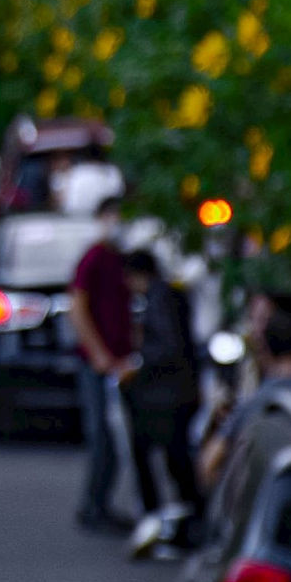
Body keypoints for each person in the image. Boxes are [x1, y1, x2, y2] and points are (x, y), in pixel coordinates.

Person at [198, 295, 291, 488]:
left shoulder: (255, 404)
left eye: (262, 319)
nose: (255, 329)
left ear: (266, 349)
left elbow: (208, 466)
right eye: (253, 319)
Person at [119, 250, 202, 556]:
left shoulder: (159, 299)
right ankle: (181, 522)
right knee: (174, 459)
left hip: (164, 396)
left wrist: (139, 364)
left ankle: (176, 522)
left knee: (169, 458)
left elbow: (168, 345)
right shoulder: (170, 295)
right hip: (175, 392)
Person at [69, 197, 134, 533]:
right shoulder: (93, 258)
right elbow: (77, 309)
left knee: (116, 436)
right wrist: (97, 354)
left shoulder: (123, 261)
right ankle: (93, 505)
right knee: (102, 436)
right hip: (97, 364)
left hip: (120, 364)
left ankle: (102, 502)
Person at [54, 146, 124, 217]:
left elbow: (59, 200)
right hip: (98, 218)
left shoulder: (72, 172)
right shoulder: (112, 171)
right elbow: (118, 194)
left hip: (73, 217)